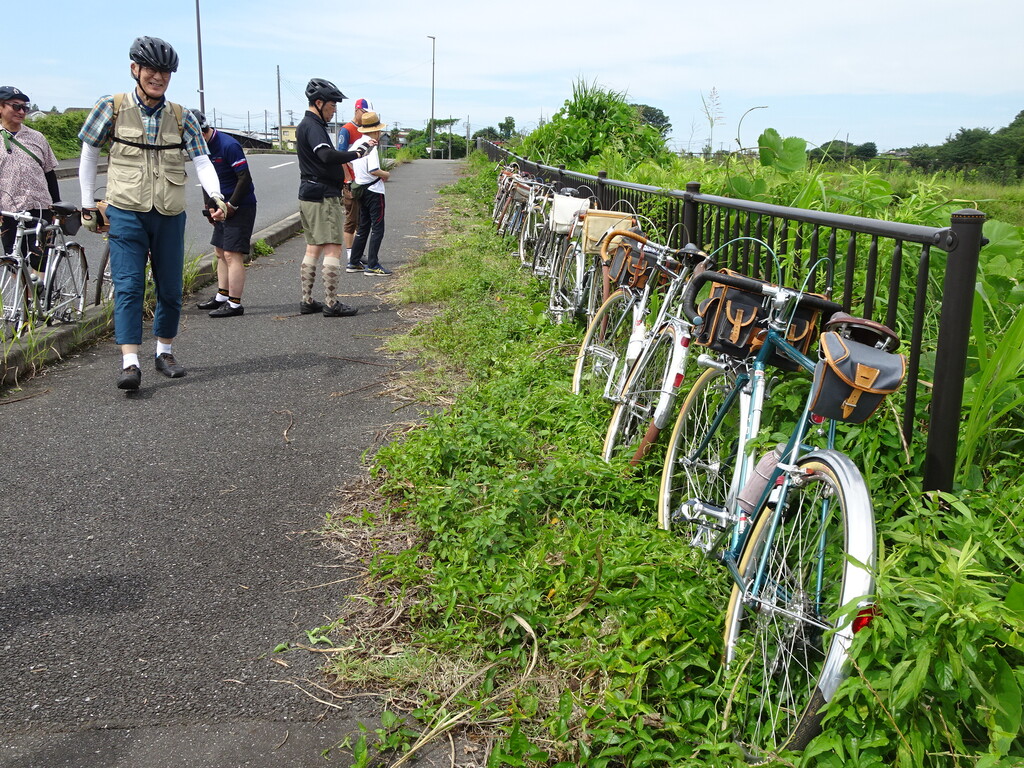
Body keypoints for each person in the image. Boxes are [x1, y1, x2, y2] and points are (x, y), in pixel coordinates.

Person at [78, 35, 229, 391]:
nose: (158, 77)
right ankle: (130, 362)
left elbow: (201, 160)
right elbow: (89, 152)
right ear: (135, 69)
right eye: (151, 69)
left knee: (171, 288)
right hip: (125, 211)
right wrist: (87, 202)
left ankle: (164, 352)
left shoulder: (182, 116)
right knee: (129, 286)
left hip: (169, 213)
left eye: (165, 72)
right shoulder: (111, 107)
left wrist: (216, 195)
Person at [295, 78, 375, 317]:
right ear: (319, 103)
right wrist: (357, 153)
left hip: (309, 192)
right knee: (333, 248)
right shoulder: (313, 126)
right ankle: (331, 303)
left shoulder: (307, 125)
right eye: (331, 106)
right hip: (322, 195)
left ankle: (307, 300)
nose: (334, 111)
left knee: (313, 247)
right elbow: (327, 156)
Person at [192, 109, 257, 318]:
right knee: (219, 251)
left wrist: (231, 206)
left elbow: (244, 178)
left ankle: (235, 304)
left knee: (232, 254)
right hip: (220, 204)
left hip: (240, 204)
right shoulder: (200, 148)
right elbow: (205, 179)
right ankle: (222, 296)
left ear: (204, 131)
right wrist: (209, 207)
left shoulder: (228, 145)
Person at [0, 86, 60, 278]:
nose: (21, 111)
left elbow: (49, 173)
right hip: (8, 210)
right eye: (15, 106)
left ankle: (39, 295)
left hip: (40, 207)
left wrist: (56, 205)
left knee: (40, 260)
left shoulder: (37, 137)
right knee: (14, 260)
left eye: (24, 107)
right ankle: (23, 297)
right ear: (1, 107)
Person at [348, 111, 391, 276]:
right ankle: (373, 264)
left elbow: (349, 161)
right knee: (377, 227)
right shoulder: (372, 146)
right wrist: (386, 174)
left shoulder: (358, 144)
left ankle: (354, 261)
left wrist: (359, 174)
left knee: (363, 227)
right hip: (374, 191)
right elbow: (374, 170)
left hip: (360, 189)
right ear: (376, 131)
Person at [337, 98, 369, 271]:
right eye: (364, 112)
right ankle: (350, 254)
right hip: (351, 182)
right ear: (357, 110)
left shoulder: (365, 130)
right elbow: (340, 156)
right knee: (351, 218)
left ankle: (357, 252)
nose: (365, 116)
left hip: (363, 181)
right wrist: (348, 178)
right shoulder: (347, 130)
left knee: (362, 220)